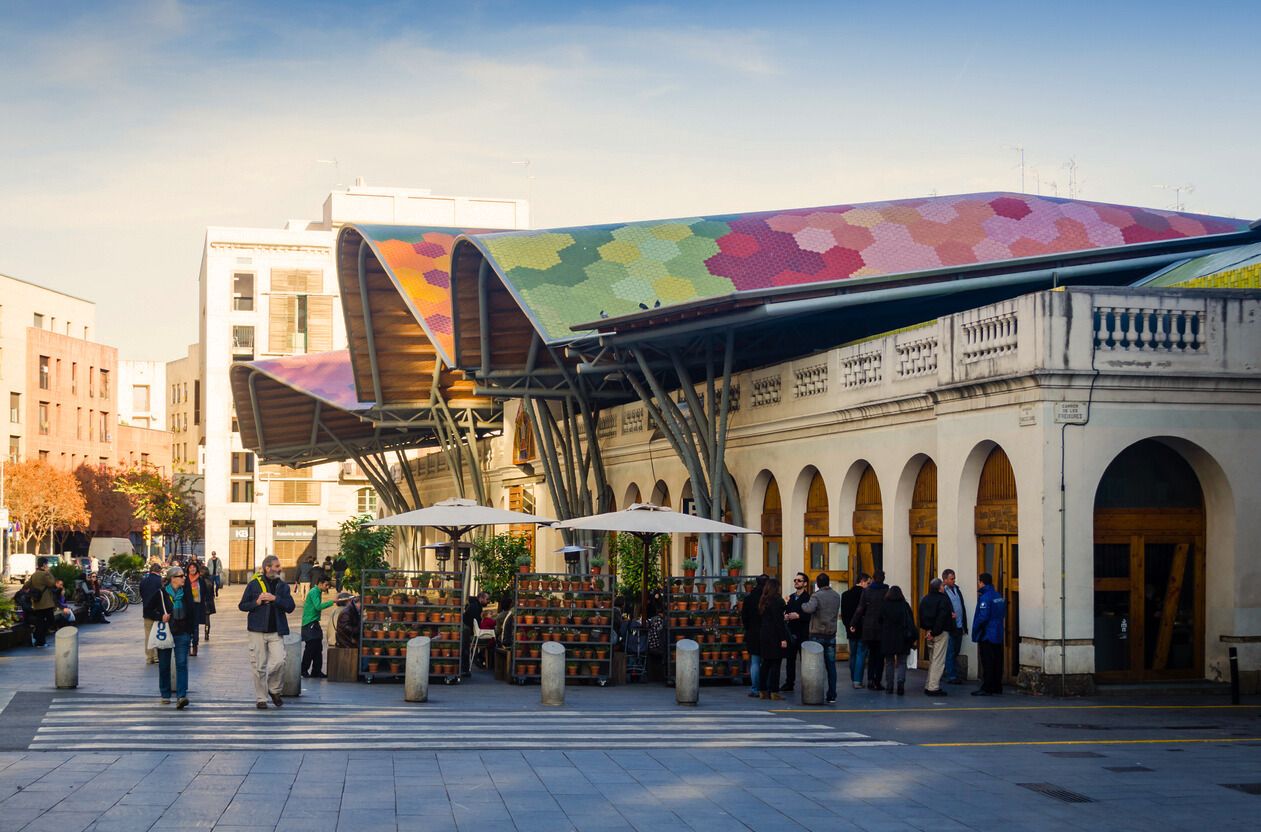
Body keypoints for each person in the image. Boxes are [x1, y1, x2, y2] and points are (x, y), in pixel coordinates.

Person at [238, 554, 296, 709]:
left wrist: (275, 599)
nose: (280, 568)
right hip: (257, 630)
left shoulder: (283, 586)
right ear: (267, 568)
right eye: (276, 566)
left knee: (279, 661)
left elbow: (290, 607)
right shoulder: (254, 585)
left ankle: (274, 689)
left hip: (276, 630)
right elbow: (242, 605)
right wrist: (256, 602)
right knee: (259, 665)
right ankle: (261, 698)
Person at [144, 566, 194, 708]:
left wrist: (191, 632)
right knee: (164, 665)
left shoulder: (186, 593)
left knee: (182, 664)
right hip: (165, 632)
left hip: (182, 632)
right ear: (172, 578)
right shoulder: (161, 593)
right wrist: (160, 616)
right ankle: (165, 694)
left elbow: (192, 612)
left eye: (184, 576)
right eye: (181, 576)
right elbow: (147, 610)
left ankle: (181, 696)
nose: (184, 578)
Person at [800, 572, 842, 702]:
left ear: (817, 584)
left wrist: (802, 605)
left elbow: (809, 609)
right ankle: (832, 694)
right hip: (830, 634)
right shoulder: (836, 596)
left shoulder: (816, 596)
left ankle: (814, 693)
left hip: (817, 634)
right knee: (831, 666)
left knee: (815, 666)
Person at [971, 572, 1007, 696]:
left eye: (978, 581)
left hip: (987, 633)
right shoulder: (998, 596)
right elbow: (1002, 613)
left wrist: (976, 629)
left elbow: (983, 617)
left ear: (982, 582)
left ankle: (987, 687)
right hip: (997, 632)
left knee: (987, 661)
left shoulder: (985, 598)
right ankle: (997, 685)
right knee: (997, 660)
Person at [877, 585, 917, 696]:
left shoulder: (884, 605)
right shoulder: (905, 606)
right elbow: (911, 622)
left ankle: (889, 686)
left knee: (889, 662)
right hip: (902, 637)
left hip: (888, 637)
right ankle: (900, 685)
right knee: (902, 662)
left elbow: (879, 620)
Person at [853, 570, 889, 690]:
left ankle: (869, 679)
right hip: (882, 627)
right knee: (880, 656)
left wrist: (853, 622)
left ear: (873, 578)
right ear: (883, 579)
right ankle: (877, 681)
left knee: (871, 655)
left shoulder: (867, 591)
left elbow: (860, 608)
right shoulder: (886, 592)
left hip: (868, 627)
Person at [301, 572, 341, 678]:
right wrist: (332, 602)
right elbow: (318, 607)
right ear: (320, 583)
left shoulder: (317, 591)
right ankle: (304, 670)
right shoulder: (314, 592)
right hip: (309, 623)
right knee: (310, 648)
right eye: (326, 585)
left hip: (314, 623)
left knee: (318, 648)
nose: (327, 587)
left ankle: (316, 671)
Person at [918, 577, 953, 696]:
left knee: (932, 659)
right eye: (943, 586)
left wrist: (928, 631)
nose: (944, 588)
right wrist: (934, 632)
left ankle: (929, 684)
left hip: (928, 632)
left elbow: (921, 616)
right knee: (938, 661)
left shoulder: (925, 599)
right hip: (940, 633)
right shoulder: (943, 600)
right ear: (939, 588)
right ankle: (933, 687)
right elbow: (942, 617)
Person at [757, 577, 789, 700]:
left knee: (765, 664)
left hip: (764, 634)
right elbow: (778, 622)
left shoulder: (763, 600)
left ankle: (762, 689)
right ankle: (774, 691)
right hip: (774, 636)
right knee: (776, 664)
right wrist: (783, 639)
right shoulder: (777, 601)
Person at [781, 572, 812, 692]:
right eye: (795, 580)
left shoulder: (808, 598)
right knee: (790, 660)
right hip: (791, 632)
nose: (796, 582)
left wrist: (799, 615)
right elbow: (787, 611)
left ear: (805, 583)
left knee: (805, 661)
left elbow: (810, 615)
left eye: (799, 580)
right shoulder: (791, 597)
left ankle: (808, 684)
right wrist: (786, 616)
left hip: (803, 633)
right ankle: (789, 683)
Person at [841, 573, 870, 689]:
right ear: (862, 581)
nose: (868, 585)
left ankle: (854, 677)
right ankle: (857, 680)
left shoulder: (845, 594)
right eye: (868, 583)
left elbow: (844, 614)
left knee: (853, 654)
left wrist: (848, 626)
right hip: (863, 628)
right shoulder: (866, 594)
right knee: (861, 654)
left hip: (850, 628)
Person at [941, 568, 969, 684]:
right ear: (945, 579)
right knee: (950, 651)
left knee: (956, 650)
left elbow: (961, 606)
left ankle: (952, 672)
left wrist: (964, 625)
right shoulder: (943, 592)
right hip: (950, 626)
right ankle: (950, 675)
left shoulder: (957, 590)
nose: (954, 580)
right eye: (951, 579)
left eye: (954, 578)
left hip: (959, 625)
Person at [22, 557, 57, 648]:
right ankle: (38, 637)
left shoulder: (34, 575)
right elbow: (52, 583)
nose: (48, 566)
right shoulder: (45, 574)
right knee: (50, 621)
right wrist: (49, 572)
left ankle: (40, 641)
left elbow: (26, 585)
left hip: (37, 603)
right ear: (44, 564)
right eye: (47, 564)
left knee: (40, 622)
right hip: (46, 603)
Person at [742, 574, 767, 697]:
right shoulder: (770, 598)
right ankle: (766, 687)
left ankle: (755, 688)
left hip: (753, 632)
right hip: (767, 633)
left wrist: (748, 628)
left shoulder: (749, 598)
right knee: (767, 662)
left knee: (755, 662)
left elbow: (744, 617)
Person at [186, 560, 215, 656]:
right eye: (190, 567)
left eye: (194, 567)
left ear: (197, 569)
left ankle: (195, 646)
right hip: (187, 607)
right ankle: (187, 647)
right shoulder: (185, 580)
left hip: (198, 606)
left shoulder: (201, 580)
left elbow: (206, 593)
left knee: (195, 627)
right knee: (187, 627)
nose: (192, 569)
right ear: (188, 569)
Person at [140, 561, 164, 664]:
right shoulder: (160, 581)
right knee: (158, 634)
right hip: (158, 612)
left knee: (148, 634)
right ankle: (157, 656)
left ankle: (149, 657)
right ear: (159, 571)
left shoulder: (143, 581)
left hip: (147, 610)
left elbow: (141, 594)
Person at [462, 590, 489, 672]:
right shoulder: (476, 607)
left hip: (469, 631)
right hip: (469, 632)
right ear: (481, 598)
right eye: (487, 599)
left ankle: (478, 658)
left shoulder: (474, 605)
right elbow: (475, 622)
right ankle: (480, 659)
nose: (488, 601)